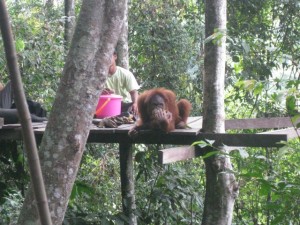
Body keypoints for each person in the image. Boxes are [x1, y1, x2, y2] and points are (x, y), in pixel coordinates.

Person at [102, 51, 140, 116]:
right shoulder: (98, 76)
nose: (107, 59)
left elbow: (134, 92)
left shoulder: (126, 74)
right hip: (105, 106)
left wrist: (136, 103)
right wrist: (101, 93)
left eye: (109, 56)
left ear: (115, 56)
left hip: (124, 106)